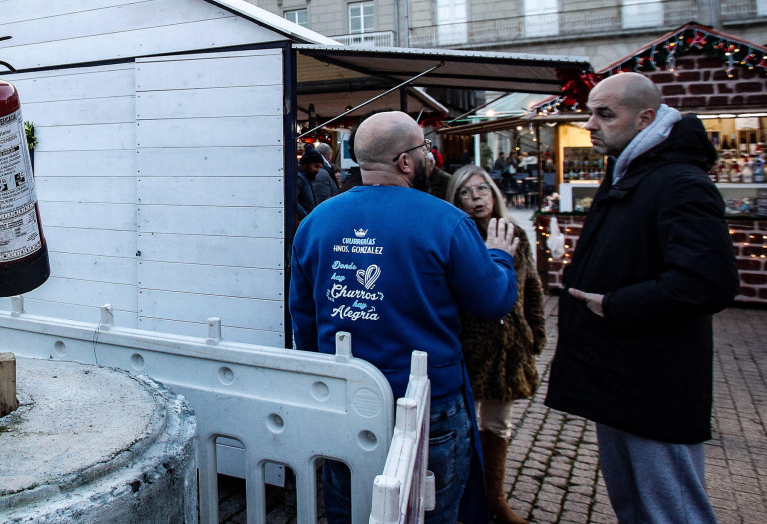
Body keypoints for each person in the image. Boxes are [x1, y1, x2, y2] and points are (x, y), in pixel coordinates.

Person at [290, 111, 519, 524]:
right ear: (406, 161)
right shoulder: (446, 221)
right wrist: (501, 256)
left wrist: (320, 380)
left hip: (348, 396)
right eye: (424, 150)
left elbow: (303, 319)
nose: (430, 158)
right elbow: (493, 300)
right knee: (432, 511)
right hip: (428, 401)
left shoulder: (315, 223)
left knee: (351, 507)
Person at [545, 72, 738, 524]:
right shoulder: (630, 170)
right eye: (590, 112)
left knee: (671, 510)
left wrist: (614, 305)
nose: (590, 124)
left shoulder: (679, 182)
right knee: (635, 505)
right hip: (619, 373)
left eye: (605, 114)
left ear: (645, 118)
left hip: (652, 381)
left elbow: (708, 281)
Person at [448, 165, 546, 524]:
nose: (476, 198)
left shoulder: (515, 233)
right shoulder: (457, 236)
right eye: (466, 192)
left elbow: (531, 287)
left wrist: (534, 332)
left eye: (481, 190)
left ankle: (495, 498)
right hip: (470, 349)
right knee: (463, 426)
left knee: (498, 426)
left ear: (494, 193)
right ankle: (462, 499)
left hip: (509, 347)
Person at [295, 146, 322, 222]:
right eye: (316, 166)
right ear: (307, 163)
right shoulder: (300, 178)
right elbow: (293, 200)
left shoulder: (305, 178)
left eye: (320, 167)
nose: (318, 170)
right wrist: (306, 217)